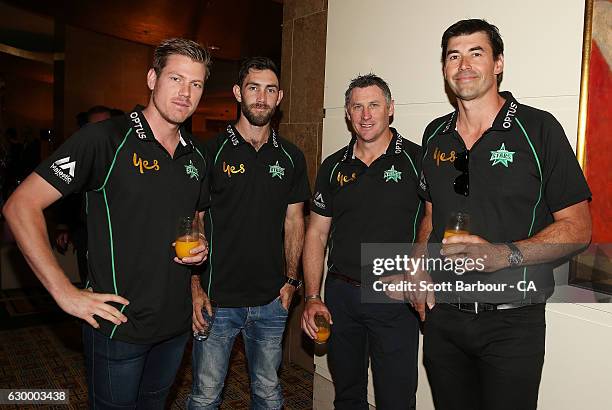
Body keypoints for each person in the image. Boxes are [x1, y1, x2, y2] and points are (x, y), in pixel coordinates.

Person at [3, 38, 212, 409]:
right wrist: (64, 293)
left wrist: (199, 255)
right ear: (152, 78)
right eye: (176, 79)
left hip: (175, 328)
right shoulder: (104, 140)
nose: (186, 93)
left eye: (196, 84)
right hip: (118, 326)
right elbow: (21, 206)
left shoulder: (196, 155)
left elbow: (195, 219)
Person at [414, 19, 592, 410]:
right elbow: (429, 212)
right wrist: (419, 267)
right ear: (444, 68)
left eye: (476, 53)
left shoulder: (538, 128)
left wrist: (503, 254)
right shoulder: (434, 134)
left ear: (498, 64)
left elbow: (579, 228)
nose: (464, 64)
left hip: (512, 321)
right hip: (444, 318)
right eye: (453, 55)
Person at [187, 57, 310, 410]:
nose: (261, 97)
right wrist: (195, 287)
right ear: (238, 93)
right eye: (253, 88)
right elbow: (193, 221)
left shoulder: (291, 157)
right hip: (217, 301)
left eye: (270, 89)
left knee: (269, 393)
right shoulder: (209, 152)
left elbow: (294, 221)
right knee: (206, 395)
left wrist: (291, 282)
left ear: (280, 97)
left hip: (272, 301)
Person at [301, 73, 422, 410]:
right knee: (348, 395)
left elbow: (435, 222)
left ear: (390, 109)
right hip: (342, 295)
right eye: (358, 107)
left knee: (396, 399)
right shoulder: (332, 166)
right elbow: (316, 233)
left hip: (394, 297)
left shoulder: (417, 159)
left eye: (374, 105)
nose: (366, 115)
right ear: (347, 113)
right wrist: (312, 295)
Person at [55, 105, 113, 285]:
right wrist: (63, 227)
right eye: (98, 125)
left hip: (116, 233)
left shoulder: (124, 153)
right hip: (85, 230)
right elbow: (67, 194)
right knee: (88, 277)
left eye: (107, 124)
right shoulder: (79, 154)